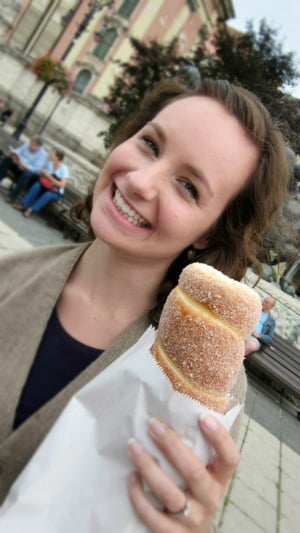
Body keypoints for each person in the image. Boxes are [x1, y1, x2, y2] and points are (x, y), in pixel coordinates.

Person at [0, 79, 290, 530]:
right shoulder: (10, 276)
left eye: (188, 187)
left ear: (208, 234)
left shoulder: (205, 390)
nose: (140, 181)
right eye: (150, 144)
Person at [12, 148, 69, 218]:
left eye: (53, 154)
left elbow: (62, 185)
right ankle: (24, 204)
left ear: (57, 157)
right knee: (36, 185)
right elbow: (43, 174)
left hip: (56, 191)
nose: (51, 154)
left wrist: (50, 177)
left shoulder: (64, 169)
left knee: (47, 195)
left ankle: (31, 209)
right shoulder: (50, 164)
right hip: (46, 186)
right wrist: (43, 172)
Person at [0, 135, 47, 200]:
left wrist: (23, 165)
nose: (30, 146)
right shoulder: (27, 145)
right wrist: (13, 156)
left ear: (38, 146)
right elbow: (17, 151)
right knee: (6, 160)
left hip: (28, 173)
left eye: (33, 145)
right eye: (30, 143)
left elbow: (36, 169)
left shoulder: (43, 154)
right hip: (18, 166)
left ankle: (12, 196)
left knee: (27, 174)